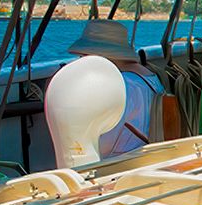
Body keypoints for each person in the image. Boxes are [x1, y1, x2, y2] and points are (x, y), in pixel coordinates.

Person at [67, 19, 162, 156]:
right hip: (147, 156)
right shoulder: (149, 77)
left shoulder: (121, 85)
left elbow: (101, 146)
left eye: (84, 56)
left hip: (121, 163)